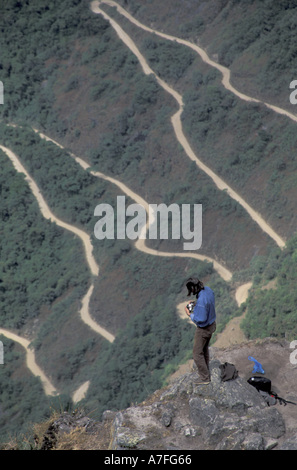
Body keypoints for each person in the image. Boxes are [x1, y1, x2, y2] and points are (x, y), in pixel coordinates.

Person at [185, 277, 216, 385]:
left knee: (197, 353)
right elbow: (208, 302)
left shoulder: (202, 301)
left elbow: (201, 318)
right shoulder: (207, 290)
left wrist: (190, 314)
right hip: (212, 324)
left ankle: (204, 378)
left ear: (193, 288)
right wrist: (197, 304)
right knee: (204, 349)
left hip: (203, 329)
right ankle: (206, 369)